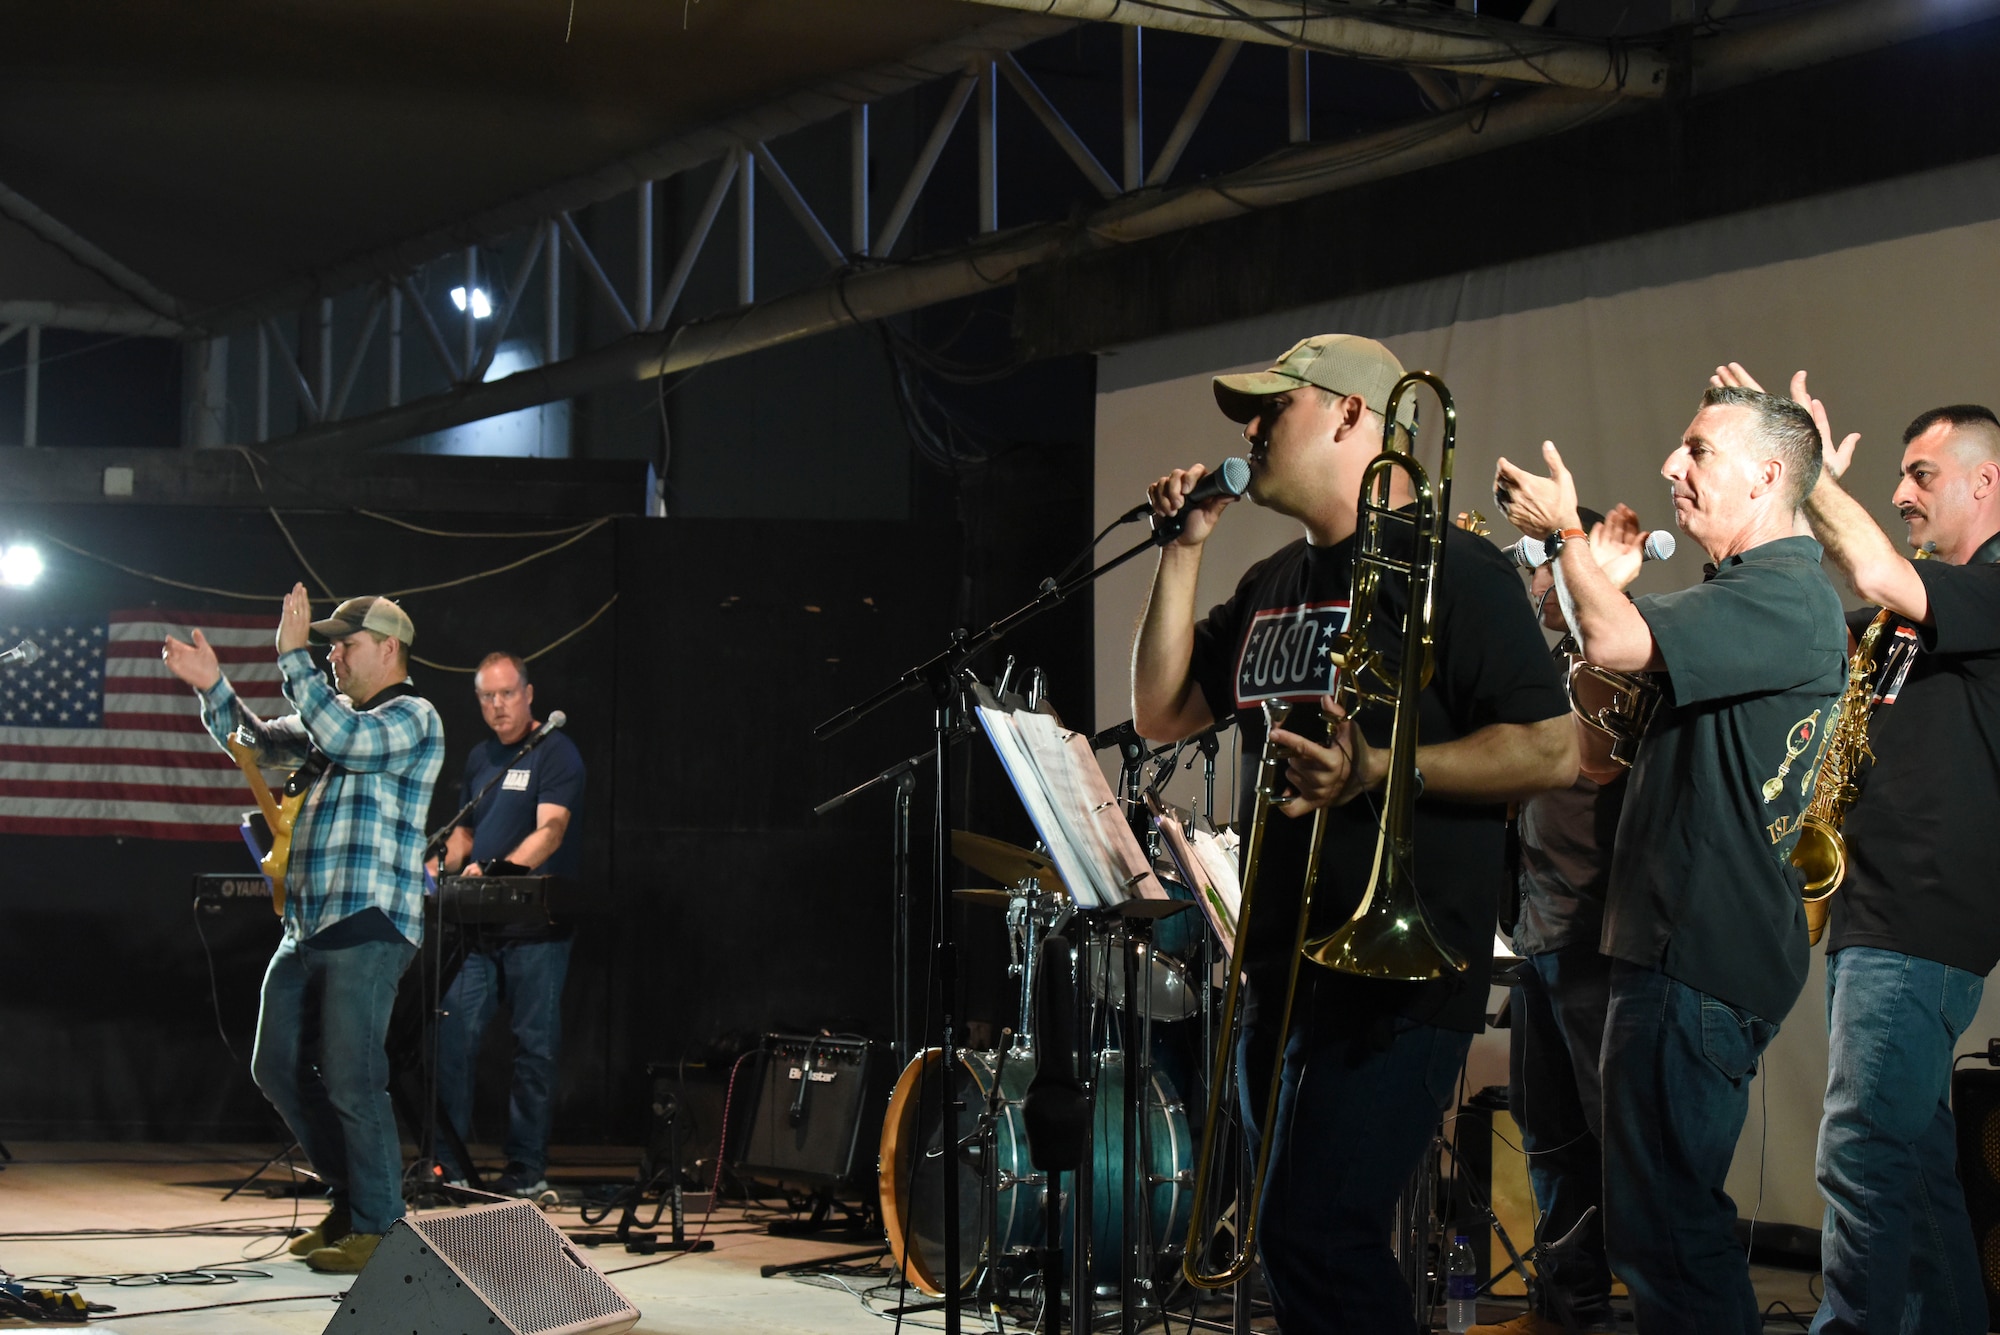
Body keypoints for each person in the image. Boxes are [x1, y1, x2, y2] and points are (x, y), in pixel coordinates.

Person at [1134, 333, 1578, 1334]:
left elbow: (1553, 749)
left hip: (1399, 977)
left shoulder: (1456, 571)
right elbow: (1163, 710)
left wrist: (1382, 769)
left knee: (1315, 1234)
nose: (1248, 432)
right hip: (1281, 970)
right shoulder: (1269, 582)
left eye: (1270, 409)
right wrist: (1183, 549)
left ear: (1347, 415)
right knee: (1293, 1248)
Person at [1494, 384, 1848, 1334]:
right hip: (1661, 946)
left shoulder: (1782, 590)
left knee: (1669, 1232)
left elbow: (1617, 634)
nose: (1671, 468)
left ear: (1769, 475)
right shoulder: (1739, 594)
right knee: (1653, 1226)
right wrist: (1576, 594)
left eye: (1697, 451)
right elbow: (1600, 751)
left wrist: (1570, 536)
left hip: (1695, 950)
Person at [1722, 368, 2000, 1335]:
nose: (1901, 492)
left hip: (1920, 918)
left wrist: (1791, 456)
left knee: (1859, 1153)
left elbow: (1878, 566)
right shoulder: (1895, 625)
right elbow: (1837, 591)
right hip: (1872, 915)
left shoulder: (1990, 589)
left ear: (1986, 481)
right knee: (1914, 1170)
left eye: (1923, 474)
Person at [162, 589, 444, 1275]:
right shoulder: (332, 713)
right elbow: (258, 751)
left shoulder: (414, 716)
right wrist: (216, 689)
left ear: (388, 648)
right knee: (276, 1064)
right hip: (309, 920)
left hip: (368, 921)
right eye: (327, 645)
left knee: (352, 1075)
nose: (333, 654)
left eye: (345, 644)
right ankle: (351, 1201)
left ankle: (381, 1227)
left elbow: (344, 741)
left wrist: (291, 656)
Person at [1469, 504, 1646, 1335]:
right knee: (1549, 1137)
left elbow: (1596, 762)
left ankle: (1644, 1312)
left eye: (1546, 564)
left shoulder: (1617, 657)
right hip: (1539, 933)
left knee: (1619, 1148)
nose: (1535, 581)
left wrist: (1592, 601)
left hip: (1596, 940)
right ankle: (1565, 1311)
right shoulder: (1545, 662)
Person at [433, 652, 584, 1198]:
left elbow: (551, 832)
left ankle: (525, 1169)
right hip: (478, 930)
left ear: (529, 693)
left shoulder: (556, 752)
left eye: (506, 694)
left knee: (533, 1048)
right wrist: (428, 867)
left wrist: (496, 874)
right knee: (453, 1036)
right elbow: (466, 836)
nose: (498, 705)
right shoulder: (480, 757)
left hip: (537, 931)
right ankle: (444, 1167)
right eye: (487, 697)